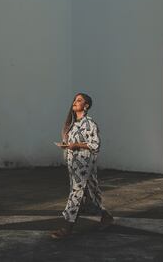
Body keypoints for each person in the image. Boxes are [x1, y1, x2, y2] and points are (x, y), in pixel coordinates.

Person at [51, 93, 114, 239]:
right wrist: (67, 146)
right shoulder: (73, 125)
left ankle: (67, 227)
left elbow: (95, 144)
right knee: (91, 192)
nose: (74, 102)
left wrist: (76, 145)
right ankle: (106, 216)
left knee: (76, 193)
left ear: (86, 106)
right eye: (74, 100)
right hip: (74, 166)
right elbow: (73, 144)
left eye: (79, 100)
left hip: (84, 165)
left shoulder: (89, 123)